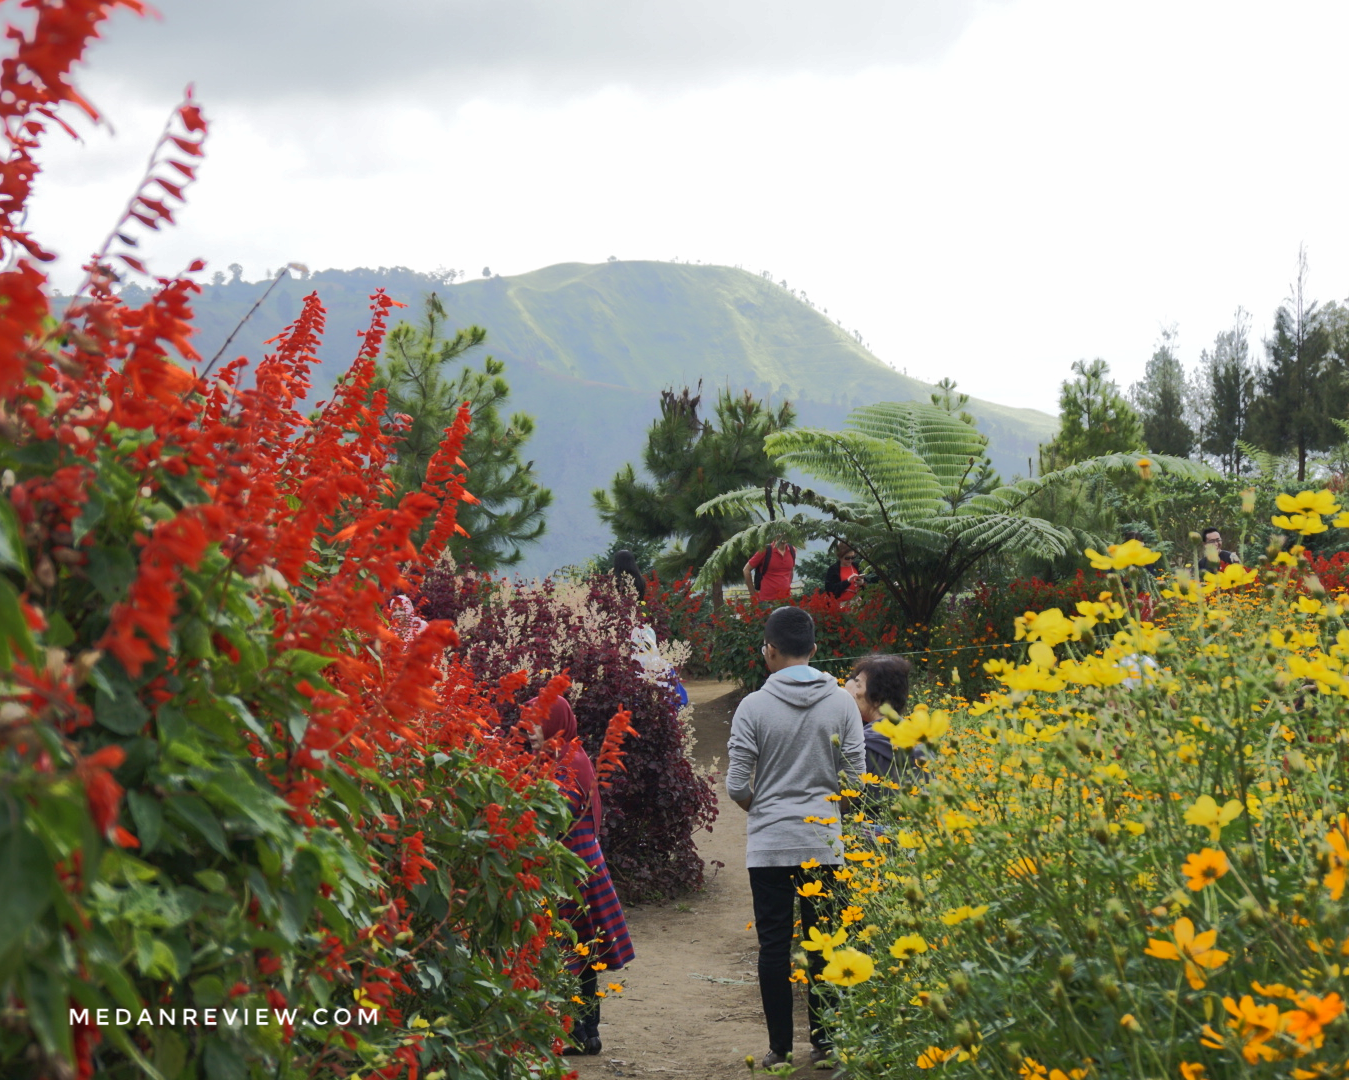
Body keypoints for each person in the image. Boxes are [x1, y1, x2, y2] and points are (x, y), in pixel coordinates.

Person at [726, 606, 865, 1068]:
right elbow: (857, 781)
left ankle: (779, 1050)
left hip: (768, 844)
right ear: (814, 650)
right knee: (822, 941)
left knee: (773, 946)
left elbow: (736, 784)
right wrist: (827, 814)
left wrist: (764, 811)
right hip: (824, 843)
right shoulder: (843, 702)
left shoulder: (753, 706)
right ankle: (825, 1045)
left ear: (769, 651)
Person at [529, 696, 635, 1056]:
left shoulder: (569, 761)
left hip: (569, 867)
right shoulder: (561, 757)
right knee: (580, 952)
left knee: (568, 952)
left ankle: (578, 1031)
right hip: (576, 862)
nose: (529, 730)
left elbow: (552, 817)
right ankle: (585, 1033)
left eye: (536, 722)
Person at [843, 654, 928, 791]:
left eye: (858, 685)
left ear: (877, 698)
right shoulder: (922, 740)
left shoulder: (863, 744)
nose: (852, 693)